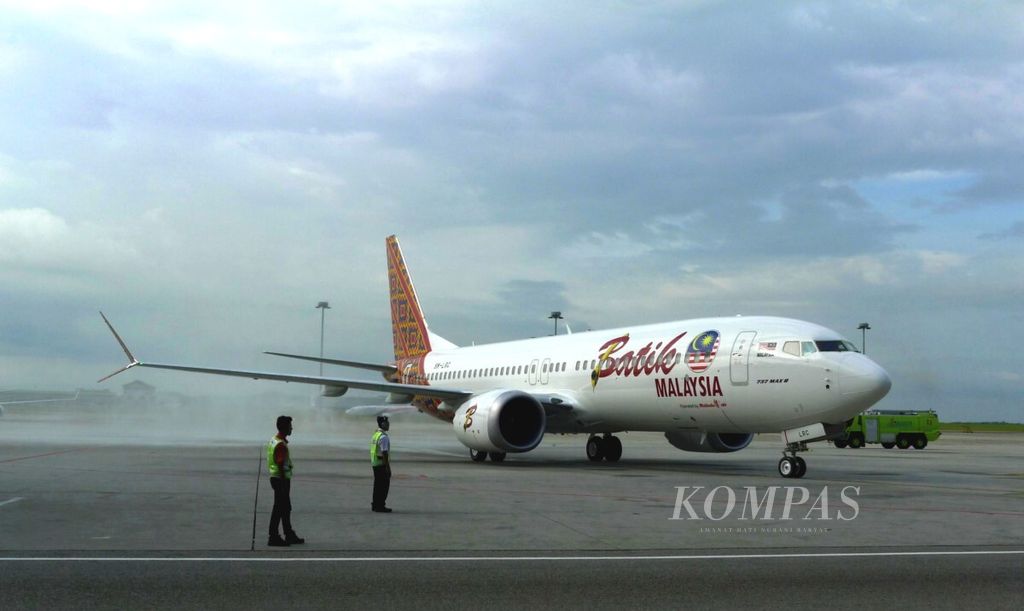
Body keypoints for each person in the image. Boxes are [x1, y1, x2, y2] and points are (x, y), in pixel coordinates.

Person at [267, 415, 304, 546]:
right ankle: (273, 536)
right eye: (290, 426)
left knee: (285, 508)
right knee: (280, 508)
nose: (292, 428)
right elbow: (281, 463)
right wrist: (283, 483)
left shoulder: (274, 440)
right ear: (285, 428)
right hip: (280, 479)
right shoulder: (281, 445)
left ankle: (288, 534)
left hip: (276, 478)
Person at [370, 415, 392, 513]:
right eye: (386, 423)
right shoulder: (383, 437)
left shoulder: (376, 435)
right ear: (382, 424)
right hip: (381, 464)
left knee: (377, 486)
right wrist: (388, 467)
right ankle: (380, 505)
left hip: (375, 464)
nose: (388, 425)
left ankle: (375, 504)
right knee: (383, 487)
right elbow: (384, 453)